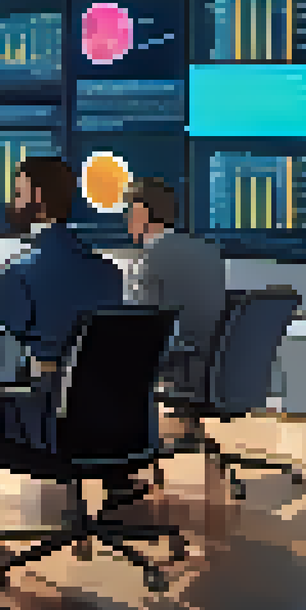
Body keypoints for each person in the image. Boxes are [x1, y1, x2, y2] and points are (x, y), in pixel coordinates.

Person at [0, 157, 124, 461]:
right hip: (103, 418)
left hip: (41, 420)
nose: (13, 202)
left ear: (37, 199)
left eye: (19, 193)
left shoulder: (18, 273)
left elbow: (0, 360)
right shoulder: (109, 272)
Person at [123, 177, 227, 430]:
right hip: (215, 364)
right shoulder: (209, 252)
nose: (125, 218)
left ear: (142, 213)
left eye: (128, 211)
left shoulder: (149, 260)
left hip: (177, 364)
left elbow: (132, 322)